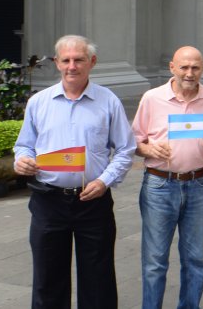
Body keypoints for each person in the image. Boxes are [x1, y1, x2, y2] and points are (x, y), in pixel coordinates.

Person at [13, 34, 136, 309]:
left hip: (92, 201)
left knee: (98, 280)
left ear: (92, 62)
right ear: (57, 62)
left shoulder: (108, 101)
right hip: (48, 200)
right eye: (66, 60)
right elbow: (24, 145)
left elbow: (125, 149)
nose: (72, 66)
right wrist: (22, 160)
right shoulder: (39, 102)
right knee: (48, 280)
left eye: (79, 60)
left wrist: (104, 181)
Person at [131, 45, 203, 309]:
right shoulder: (152, 98)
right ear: (172, 67)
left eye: (195, 67)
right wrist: (149, 149)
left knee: (196, 259)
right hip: (159, 185)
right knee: (155, 261)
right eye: (184, 67)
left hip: (197, 184)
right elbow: (134, 142)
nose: (189, 73)